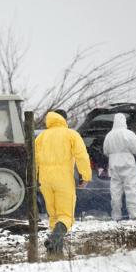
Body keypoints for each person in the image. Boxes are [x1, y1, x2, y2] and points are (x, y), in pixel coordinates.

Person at [35, 110, 92, 256]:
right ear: (64, 119)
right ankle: (53, 240)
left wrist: (34, 180)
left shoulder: (40, 137)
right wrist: (85, 175)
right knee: (66, 216)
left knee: (54, 216)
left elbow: (33, 161)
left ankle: (55, 252)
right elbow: (81, 156)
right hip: (63, 180)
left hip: (45, 181)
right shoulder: (71, 134)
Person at [103, 113, 136, 221]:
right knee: (130, 189)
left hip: (113, 163)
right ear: (124, 121)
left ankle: (116, 216)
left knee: (115, 191)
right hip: (127, 162)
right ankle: (134, 215)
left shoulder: (109, 135)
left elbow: (105, 151)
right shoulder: (128, 133)